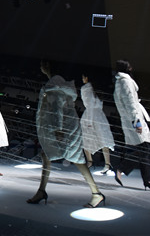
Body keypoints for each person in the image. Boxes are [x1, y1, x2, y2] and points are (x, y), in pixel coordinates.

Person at [27, 60, 105, 208]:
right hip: (66, 127)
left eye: (42, 63)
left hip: (64, 129)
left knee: (77, 160)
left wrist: (58, 130)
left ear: (47, 66)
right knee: (48, 155)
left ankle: (96, 193)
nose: (41, 66)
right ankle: (42, 191)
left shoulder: (55, 85)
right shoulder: (58, 83)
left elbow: (56, 108)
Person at [113, 60, 150, 191]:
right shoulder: (125, 82)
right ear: (126, 68)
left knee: (143, 149)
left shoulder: (120, 82)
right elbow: (130, 104)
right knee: (144, 149)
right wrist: (136, 122)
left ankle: (146, 180)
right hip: (133, 119)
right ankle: (124, 169)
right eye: (129, 66)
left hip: (131, 118)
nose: (131, 67)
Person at [80, 74, 114, 173]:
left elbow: (89, 105)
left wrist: (89, 121)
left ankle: (90, 161)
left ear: (86, 78)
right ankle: (107, 164)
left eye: (83, 77)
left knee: (86, 139)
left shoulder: (86, 88)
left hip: (90, 115)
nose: (82, 79)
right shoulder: (98, 89)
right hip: (100, 116)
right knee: (103, 140)